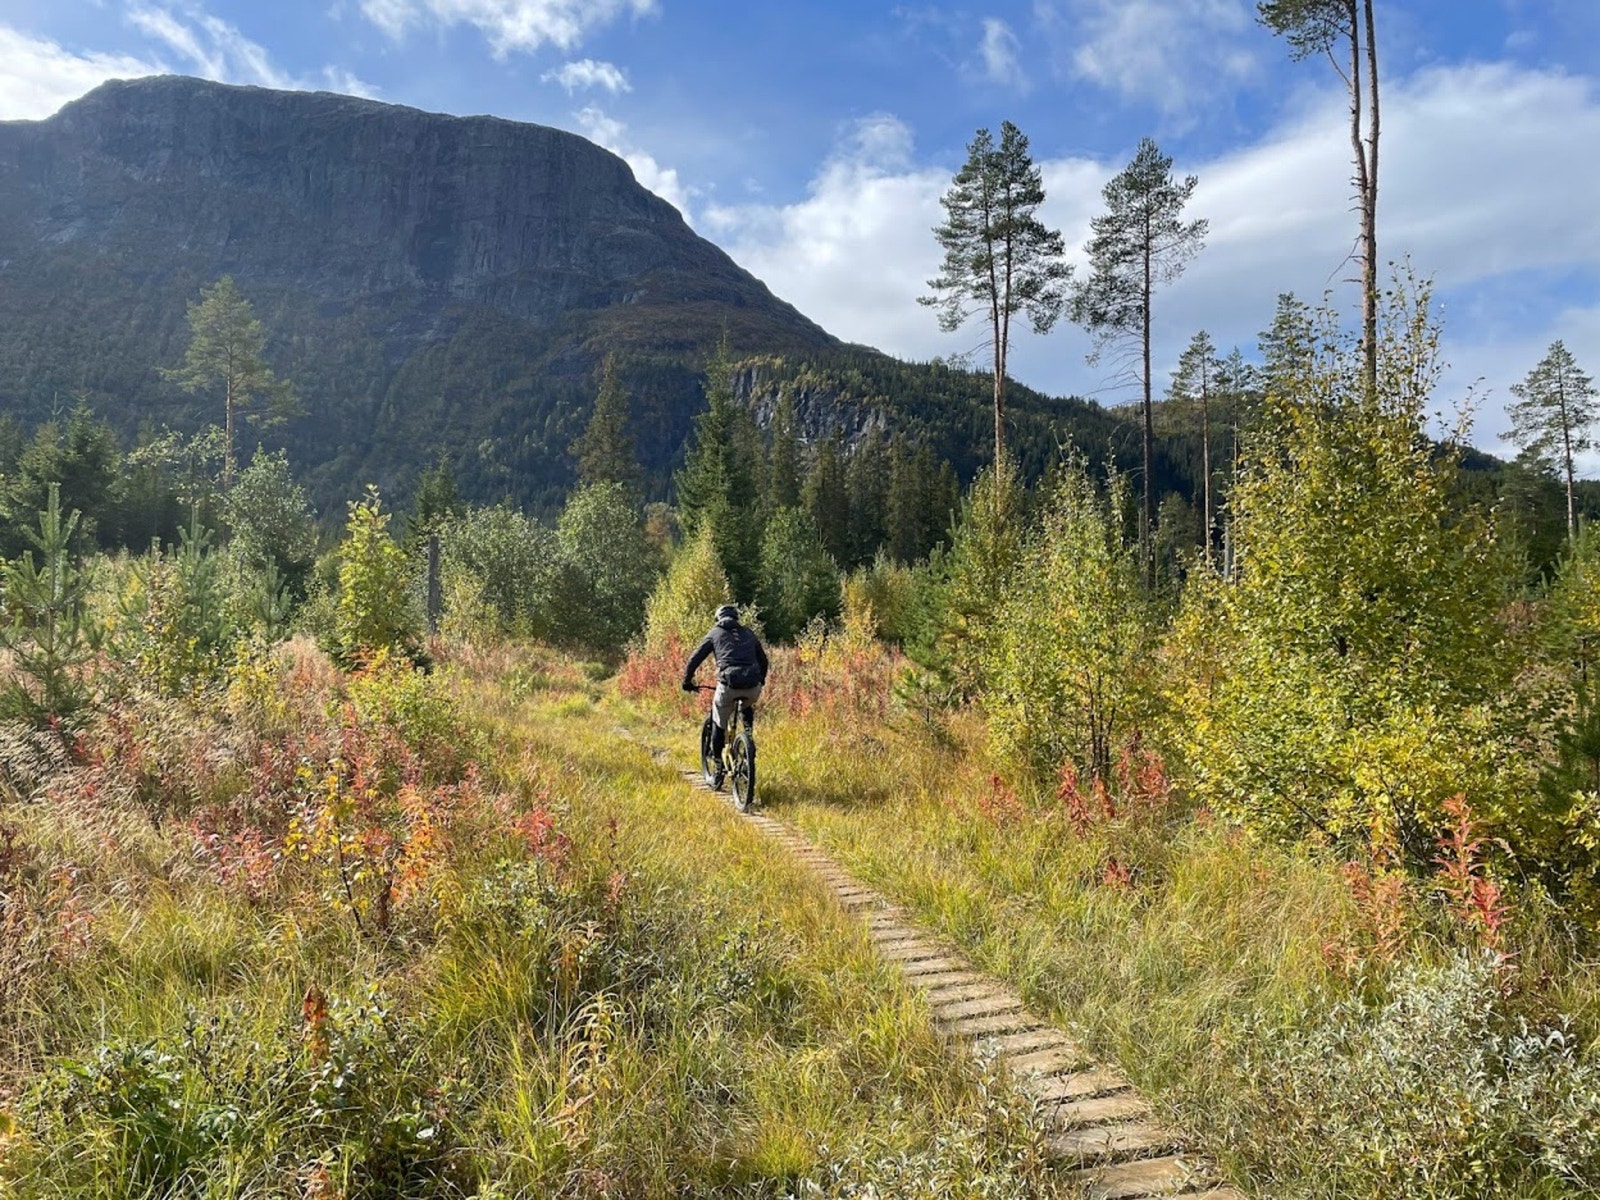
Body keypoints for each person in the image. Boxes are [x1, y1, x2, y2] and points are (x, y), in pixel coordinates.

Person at [681, 603, 769, 784]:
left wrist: (687, 681)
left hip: (728, 685)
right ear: (737, 618)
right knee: (747, 705)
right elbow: (764, 660)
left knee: (717, 721)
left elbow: (694, 659)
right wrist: (761, 680)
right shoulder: (748, 633)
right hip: (753, 687)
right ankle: (748, 737)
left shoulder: (715, 633)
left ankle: (718, 766)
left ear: (718, 619)